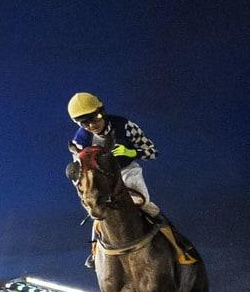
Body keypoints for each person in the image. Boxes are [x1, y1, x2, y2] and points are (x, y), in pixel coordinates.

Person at [67, 92, 197, 266]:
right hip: (103, 178)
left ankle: (178, 242)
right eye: (85, 122)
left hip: (127, 170)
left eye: (95, 118)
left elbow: (152, 151)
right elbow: (81, 170)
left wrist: (132, 152)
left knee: (142, 203)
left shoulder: (125, 125)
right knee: (97, 210)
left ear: (102, 111)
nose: (92, 125)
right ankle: (94, 252)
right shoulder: (80, 140)